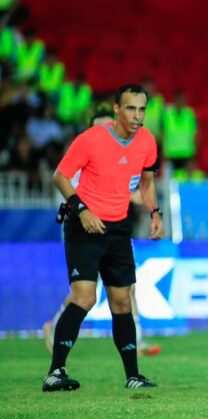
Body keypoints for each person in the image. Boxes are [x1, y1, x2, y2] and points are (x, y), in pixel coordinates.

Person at [42, 84, 163, 392]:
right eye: (131, 108)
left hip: (118, 228)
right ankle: (55, 372)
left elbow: (147, 183)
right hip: (84, 226)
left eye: (142, 109)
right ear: (117, 109)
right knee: (84, 297)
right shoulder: (92, 139)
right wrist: (81, 210)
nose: (137, 116)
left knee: (122, 301)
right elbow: (60, 176)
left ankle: (133, 376)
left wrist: (155, 213)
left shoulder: (147, 142)